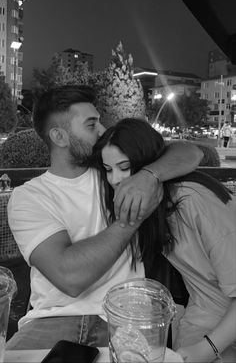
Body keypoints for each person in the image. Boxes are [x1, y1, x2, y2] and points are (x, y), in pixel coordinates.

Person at [7, 85, 203, 351]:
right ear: (59, 137)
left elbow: (191, 152)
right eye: (91, 125)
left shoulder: (115, 172)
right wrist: (131, 219)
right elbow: (70, 277)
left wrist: (149, 175)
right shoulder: (30, 197)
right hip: (53, 319)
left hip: (128, 317)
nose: (102, 131)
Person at [92, 117, 236, 363]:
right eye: (108, 170)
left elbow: (190, 150)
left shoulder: (192, 201)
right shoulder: (155, 210)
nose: (115, 179)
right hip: (203, 312)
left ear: (150, 164)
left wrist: (207, 348)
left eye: (124, 166)